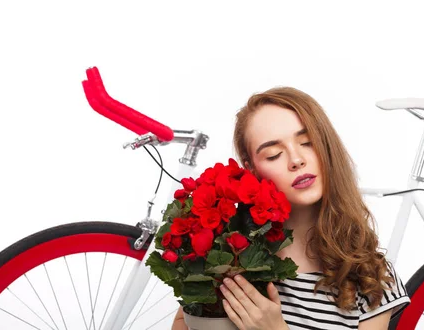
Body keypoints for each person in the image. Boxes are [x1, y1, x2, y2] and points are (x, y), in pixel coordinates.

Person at [172, 87, 410, 330]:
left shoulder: (371, 275)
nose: (296, 160)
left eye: (307, 143)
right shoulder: (224, 256)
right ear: (251, 169)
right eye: (274, 154)